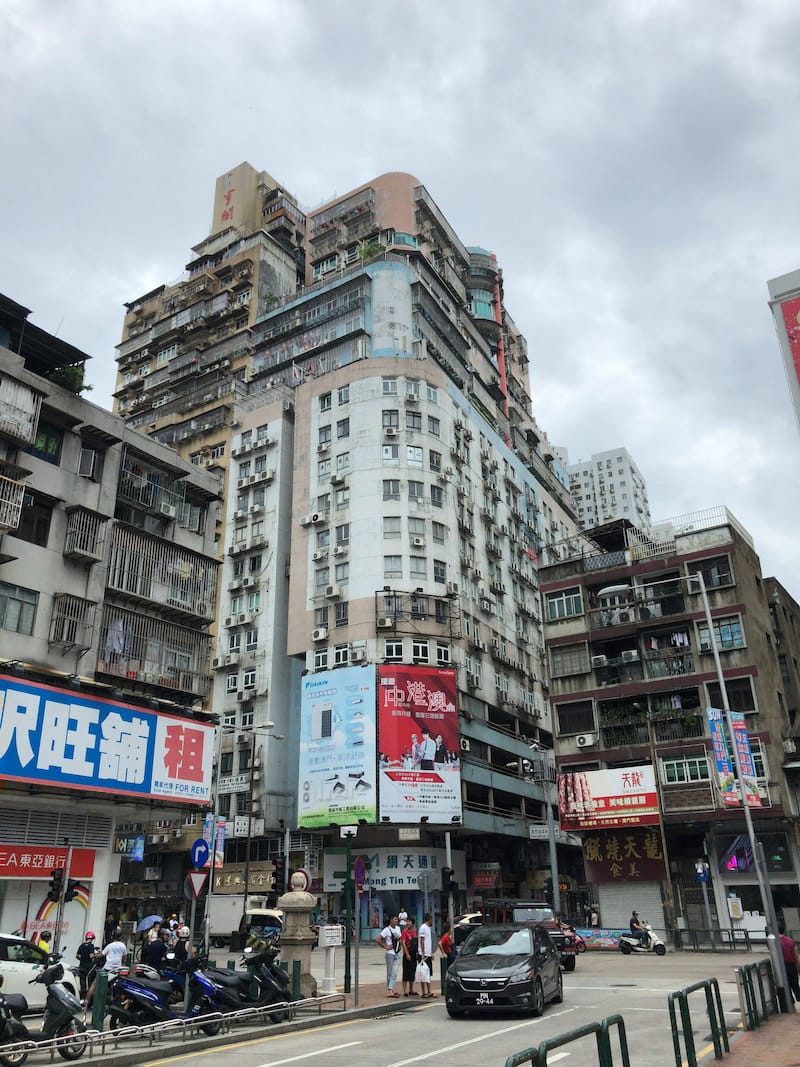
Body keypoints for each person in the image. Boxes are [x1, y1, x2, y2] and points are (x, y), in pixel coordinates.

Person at [87, 928, 128, 1008]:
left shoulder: (110, 945)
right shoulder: (123, 946)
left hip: (107, 969)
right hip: (118, 970)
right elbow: (124, 956)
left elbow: (101, 954)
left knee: (94, 984)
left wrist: (94, 955)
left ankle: (86, 1000)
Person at [378, 915, 402, 998]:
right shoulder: (386, 930)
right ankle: (389, 990)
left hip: (397, 952)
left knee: (394, 972)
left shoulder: (398, 929)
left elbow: (400, 939)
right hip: (390, 954)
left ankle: (391, 989)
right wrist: (386, 946)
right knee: (390, 972)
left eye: (397, 919)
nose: (396, 921)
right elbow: (378, 939)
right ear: (391, 920)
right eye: (395, 919)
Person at [779, 923, 800, 1003]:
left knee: (786, 987)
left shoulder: (775, 942)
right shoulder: (790, 940)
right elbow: (796, 955)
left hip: (782, 967)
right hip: (792, 966)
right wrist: (798, 965)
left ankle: (791, 1003)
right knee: (795, 985)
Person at [418, 912, 436, 997]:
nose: (432, 921)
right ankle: (424, 992)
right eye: (431, 919)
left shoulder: (428, 928)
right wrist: (423, 953)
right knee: (423, 973)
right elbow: (422, 941)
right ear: (429, 919)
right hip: (423, 954)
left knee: (428, 973)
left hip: (428, 954)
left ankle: (429, 991)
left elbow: (428, 941)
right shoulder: (423, 928)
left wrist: (431, 952)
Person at [400, 917, 419, 996]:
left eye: (409, 921)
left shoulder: (414, 931)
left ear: (412, 923)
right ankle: (404, 991)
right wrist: (406, 953)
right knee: (406, 972)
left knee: (412, 971)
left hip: (413, 953)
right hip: (407, 954)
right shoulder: (404, 931)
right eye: (407, 921)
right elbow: (403, 943)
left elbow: (415, 942)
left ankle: (411, 989)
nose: (407, 923)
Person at [76, 932, 97, 999]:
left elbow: (77, 956)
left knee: (82, 982)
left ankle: (82, 997)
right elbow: (91, 956)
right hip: (89, 967)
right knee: (90, 982)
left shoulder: (81, 945)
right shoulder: (91, 946)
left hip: (81, 966)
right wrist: (95, 955)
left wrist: (82, 959)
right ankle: (89, 998)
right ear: (92, 939)